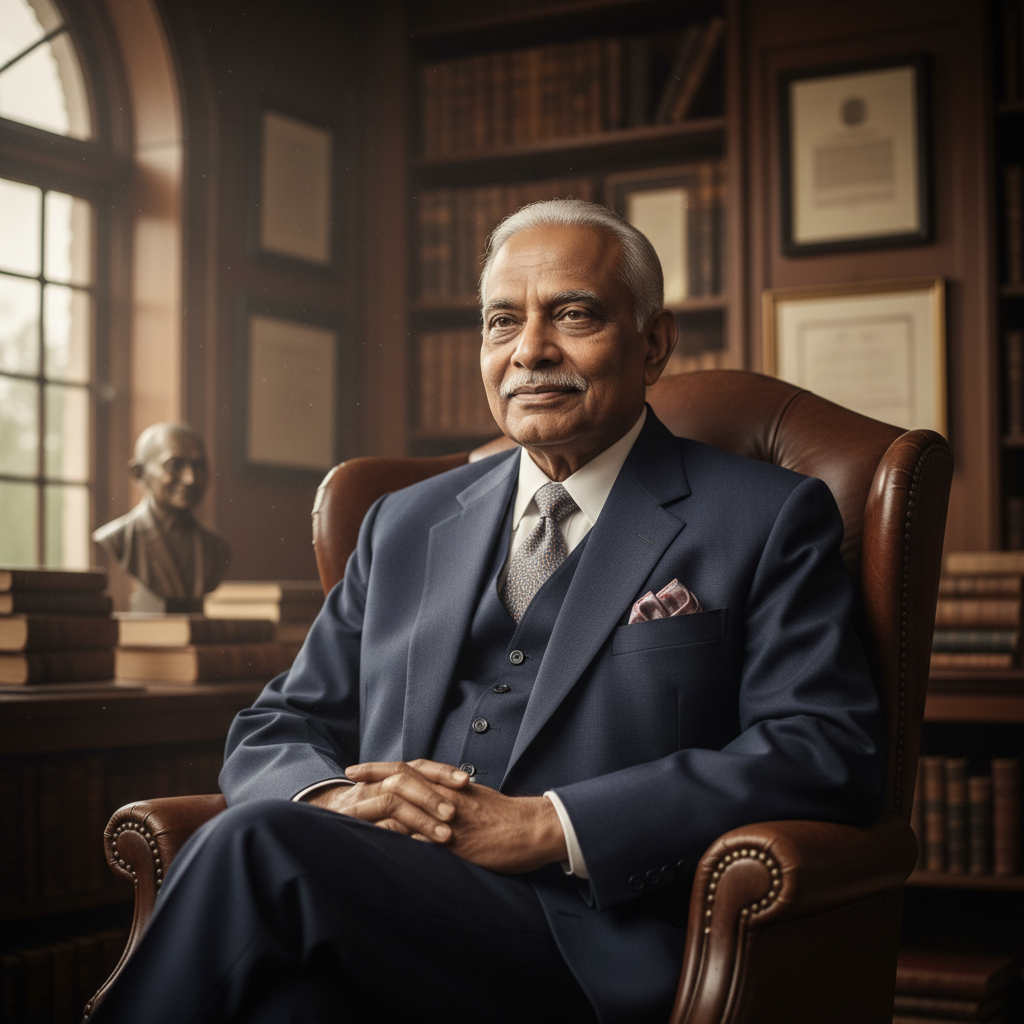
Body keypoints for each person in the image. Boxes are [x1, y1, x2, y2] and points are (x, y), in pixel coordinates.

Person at [90, 201, 884, 1024]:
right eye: (502, 322)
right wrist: (329, 801)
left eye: (572, 315)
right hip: (374, 900)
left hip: (591, 933)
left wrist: (549, 827)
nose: (530, 351)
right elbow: (278, 724)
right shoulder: (403, 523)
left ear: (652, 344)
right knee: (286, 1001)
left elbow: (824, 746)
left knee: (255, 850)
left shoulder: (767, 513)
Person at [93, 422, 231, 612]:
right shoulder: (120, 538)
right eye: (174, 465)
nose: (190, 479)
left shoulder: (217, 547)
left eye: (198, 466)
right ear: (139, 474)